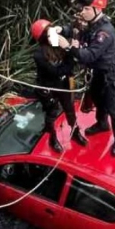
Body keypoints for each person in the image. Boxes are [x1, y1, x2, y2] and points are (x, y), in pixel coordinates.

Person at [68, 0, 115, 157]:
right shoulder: (92, 24)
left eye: (86, 9)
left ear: (97, 9)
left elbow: (89, 55)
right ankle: (102, 123)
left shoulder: (105, 32)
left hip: (109, 73)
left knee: (114, 106)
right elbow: (75, 29)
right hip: (97, 71)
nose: (82, 12)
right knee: (97, 97)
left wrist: (71, 46)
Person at [30, 19, 87, 153]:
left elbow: (72, 29)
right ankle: (52, 138)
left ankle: (75, 132)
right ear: (43, 39)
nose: (53, 36)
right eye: (49, 35)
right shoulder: (39, 55)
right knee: (51, 113)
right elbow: (57, 71)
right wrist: (71, 54)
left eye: (52, 32)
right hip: (49, 88)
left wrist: (71, 46)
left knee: (70, 110)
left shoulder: (58, 42)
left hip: (64, 85)